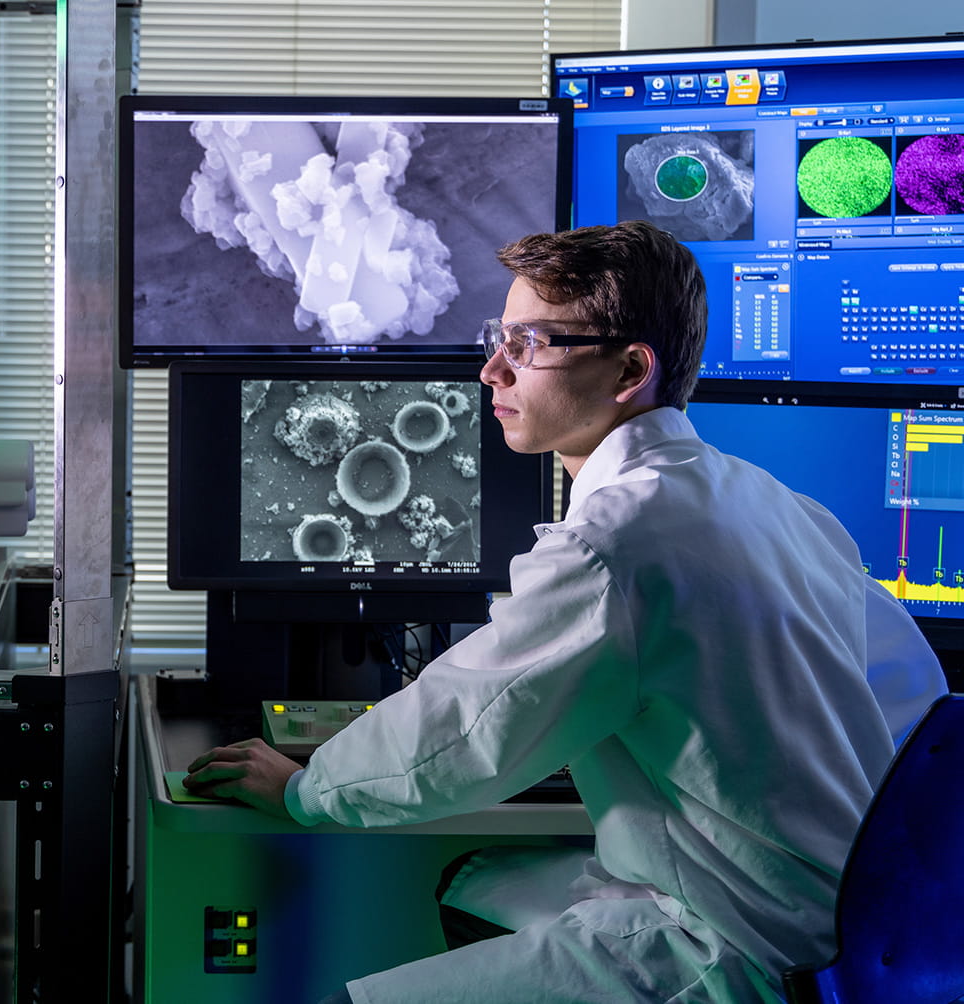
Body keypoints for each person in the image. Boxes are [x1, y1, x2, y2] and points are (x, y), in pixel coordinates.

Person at [183, 220, 948, 1004]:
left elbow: (459, 736)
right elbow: (910, 705)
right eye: (499, 338)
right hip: (858, 922)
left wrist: (307, 790)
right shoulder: (778, 503)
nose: (492, 371)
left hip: (736, 945)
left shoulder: (614, 544)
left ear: (629, 369)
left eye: (529, 343)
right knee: (472, 883)